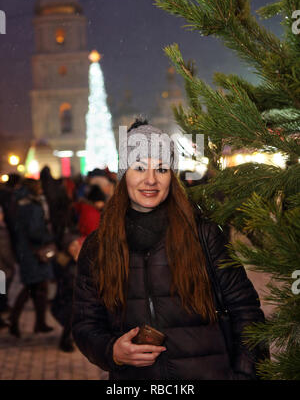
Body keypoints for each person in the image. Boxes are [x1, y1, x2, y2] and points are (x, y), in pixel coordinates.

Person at [72, 118, 268, 380]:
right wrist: (112, 351)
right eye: (139, 167)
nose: (150, 180)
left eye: (162, 169)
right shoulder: (98, 247)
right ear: (123, 175)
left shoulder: (204, 235)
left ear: (172, 178)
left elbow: (247, 313)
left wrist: (243, 375)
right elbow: (85, 325)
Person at [9, 179, 54, 337]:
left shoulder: (21, 203)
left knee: (37, 288)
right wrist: (51, 237)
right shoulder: (32, 206)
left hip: (27, 251)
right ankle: (15, 321)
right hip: (34, 253)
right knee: (32, 287)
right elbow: (35, 232)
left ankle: (38, 323)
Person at [51, 233, 83, 352]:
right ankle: (65, 341)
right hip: (64, 301)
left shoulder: (81, 260)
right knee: (73, 313)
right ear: (66, 247)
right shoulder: (63, 262)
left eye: (77, 245)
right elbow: (70, 282)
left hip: (74, 298)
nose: (76, 248)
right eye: (72, 246)